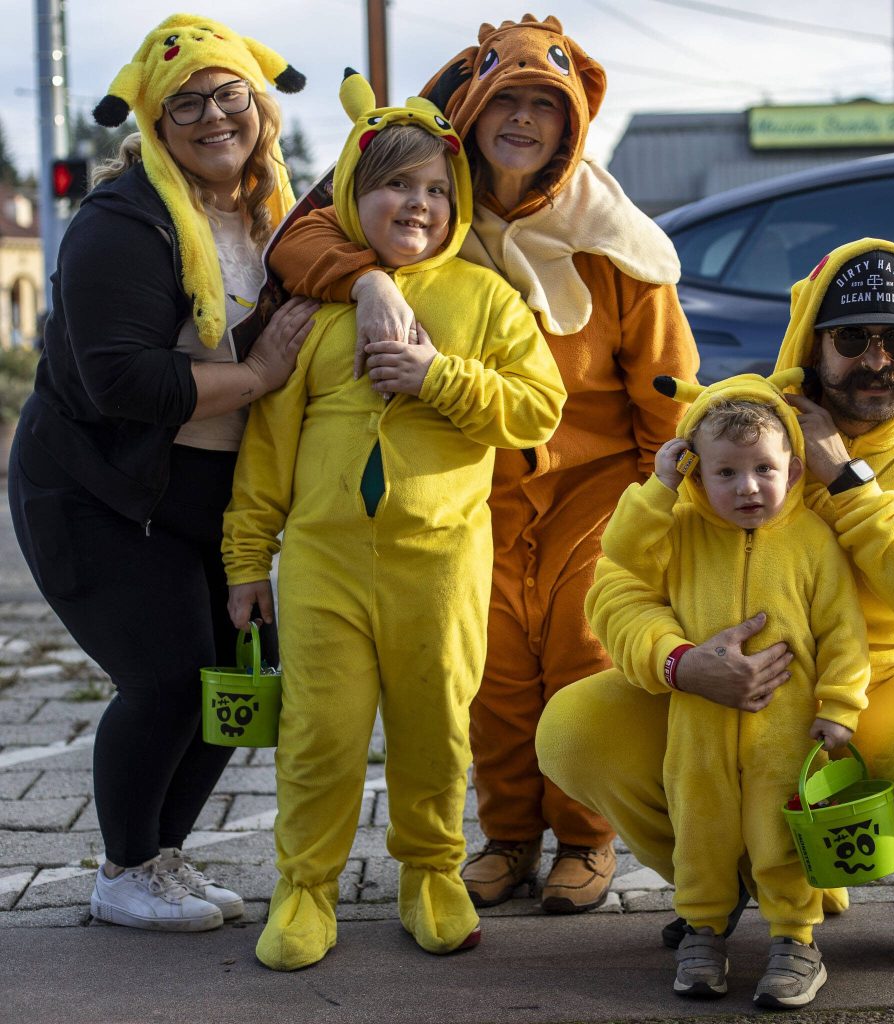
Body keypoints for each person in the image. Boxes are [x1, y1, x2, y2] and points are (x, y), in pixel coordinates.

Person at [268, 14, 699, 914]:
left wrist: (671, 514)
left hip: (592, 487)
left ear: (573, 125)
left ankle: (585, 838)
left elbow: (666, 389)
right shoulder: (429, 195)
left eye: (548, 105)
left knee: (580, 657)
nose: (527, 120)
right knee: (491, 678)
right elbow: (300, 237)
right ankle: (507, 835)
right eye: (510, 99)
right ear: (471, 106)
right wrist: (370, 279)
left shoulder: (614, 235)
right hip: (476, 488)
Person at [537, 237, 894, 975]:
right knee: (573, 727)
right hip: (728, 695)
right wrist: (681, 662)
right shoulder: (743, 433)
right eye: (852, 338)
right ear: (812, 344)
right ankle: (719, 886)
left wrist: (844, 478)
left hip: (888, 690)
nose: (879, 357)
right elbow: (620, 586)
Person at [222, 72, 566, 972]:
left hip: (442, 564)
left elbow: (537, 412)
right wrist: (246, 560)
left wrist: (437, 378)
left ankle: (430, 874)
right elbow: (267, 450)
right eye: (393, 186)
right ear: (349, 192)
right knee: (318, 737)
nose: (415, 204)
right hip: (325, 565)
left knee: (434, 732)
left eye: (433, 191)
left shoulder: (487, 301)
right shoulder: (313, 304)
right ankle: (305, 888)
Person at [7, 14, 317, 932]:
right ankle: (124, 868)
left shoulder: (273, 212)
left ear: (259, 103)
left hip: (205, 496)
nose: (215, 116)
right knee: (169, 677)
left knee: (232, 678)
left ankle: (162, 859)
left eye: (230, 96)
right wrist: (259, 376)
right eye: (187, 103)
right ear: (153, 121)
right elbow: (120, 378)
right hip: (97, 490)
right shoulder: (120, 223)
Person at [599, 370, 869, 1008]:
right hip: (698, 726)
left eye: (764, 470)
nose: (748, 487)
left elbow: (843, 634)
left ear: (794, 473)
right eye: (726, 473)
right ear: (696, 474)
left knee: (781, 834)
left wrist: (840, 707)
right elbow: (623, 555)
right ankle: (702, 929)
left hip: (788, 729)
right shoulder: (681, 530)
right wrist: (658, 488)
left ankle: (794, 938)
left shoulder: (812, 541)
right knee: (700, 827)